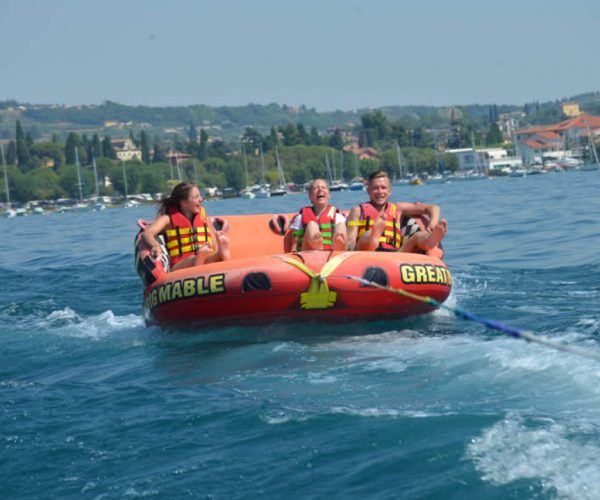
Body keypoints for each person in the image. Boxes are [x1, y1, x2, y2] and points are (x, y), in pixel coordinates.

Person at [346, 170, 447, 252]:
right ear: (368, 191)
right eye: (375, 188)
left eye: (383, 188)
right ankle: (374, 235)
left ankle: (430, 241)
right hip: (365, 252)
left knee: (418, 236)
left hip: (395, 254)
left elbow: (433, 208)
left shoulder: (398, 208)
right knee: (367, 235)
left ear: (389, 191)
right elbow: (351, 239)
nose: (380, 192)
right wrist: (351, 251)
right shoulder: (358, 210)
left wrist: (432, 224)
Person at [142, 182, 230, 271]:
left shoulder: (203, 217)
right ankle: (199, 259)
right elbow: (147, 234)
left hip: (205, 258)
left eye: (200, 196)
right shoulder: (167, 219)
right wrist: (155, 246)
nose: (201, 199)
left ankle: (221, 255)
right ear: (184, 203)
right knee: (192, 259)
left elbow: (213, 241)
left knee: (211, 256)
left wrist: (216, 249)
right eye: (196, 197)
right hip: (179, 265)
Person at [284, 178, 348, 252]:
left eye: (323, 187)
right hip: (309, 254)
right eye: (316, 188)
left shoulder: (338, 217)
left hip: (333, 255)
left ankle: (338, 243)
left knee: (341, 226)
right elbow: (294, 246)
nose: (320, 189)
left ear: (329, 195)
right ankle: (315, 240)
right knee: (311, 225)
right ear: (310, 196)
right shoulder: (300, 218)